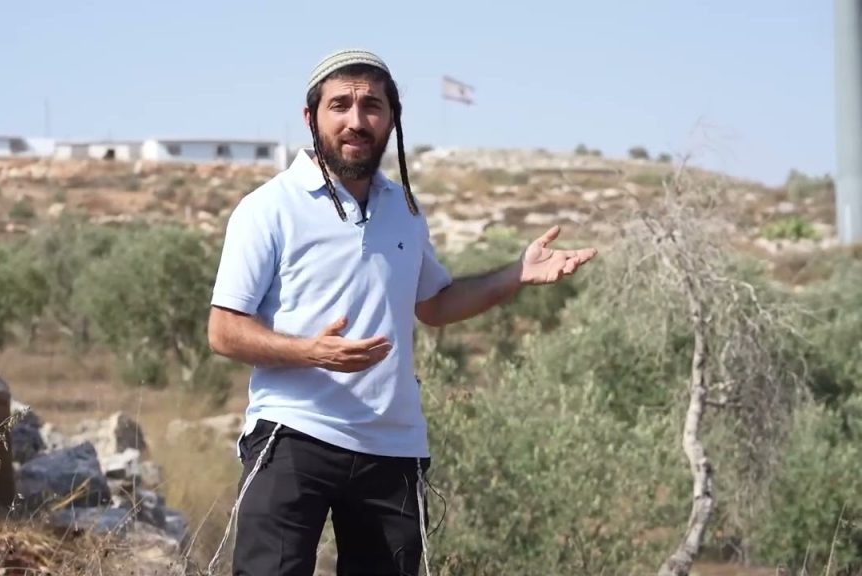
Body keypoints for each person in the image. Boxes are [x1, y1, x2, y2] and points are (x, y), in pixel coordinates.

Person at [205, 48, 597, 576]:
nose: (356, 120)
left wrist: (516, 275)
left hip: (393, 447)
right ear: (310, 116)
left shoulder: (405, 210)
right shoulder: (268, 208)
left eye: (372, 106)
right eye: (340, 105)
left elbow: (434, 304)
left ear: (392, 118)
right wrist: (311, 352)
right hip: (293, 433)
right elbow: (224, 331)